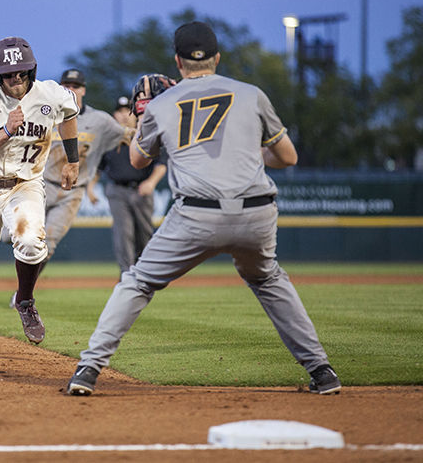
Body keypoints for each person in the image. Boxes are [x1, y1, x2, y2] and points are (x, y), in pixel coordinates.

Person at [66, 21, 341, 396]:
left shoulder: (162, 104)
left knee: (137, 281)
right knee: (268, 279)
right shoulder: (251, 94)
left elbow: (138, 159)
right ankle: (322, 372)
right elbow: (287, 157)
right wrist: (247, 154)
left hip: (197, 216)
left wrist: (146, 116)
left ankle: (87, 370)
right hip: (258, 214)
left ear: (178, 62)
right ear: (217, 57)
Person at [0, 36, 80, 355]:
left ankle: (25, 301)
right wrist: (6, 131)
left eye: (22, 73)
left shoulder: (50, 93)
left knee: (30, 242)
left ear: (32, 71)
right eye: (9, 75)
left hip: (24, 184)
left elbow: (70, 112)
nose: (16, 79)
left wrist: (73, 159)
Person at [5, 69, 132, 306]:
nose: (71, 89)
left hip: (73, 192)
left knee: (48, 243)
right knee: (10, 235)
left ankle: (23, 293)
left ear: (83, 90)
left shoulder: (101, 121)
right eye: (67, 85)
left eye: (76, 85)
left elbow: (129, 135)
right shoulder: (44, 112)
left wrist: (146, 122)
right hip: (39, 185)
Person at [88, 92, 167, 275]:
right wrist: (90, 188)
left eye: (127, 110)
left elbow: (162, 164)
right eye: (119, 111)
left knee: (144, 235)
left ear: (135, 114)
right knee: (123, 234)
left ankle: (144, 273)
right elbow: (97, 169)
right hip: (117, 191)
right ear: (114, 115)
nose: (124, 114)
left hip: (142, 190)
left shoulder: (146, 136)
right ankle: (127, 275)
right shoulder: (108, 140)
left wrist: (151, 182)